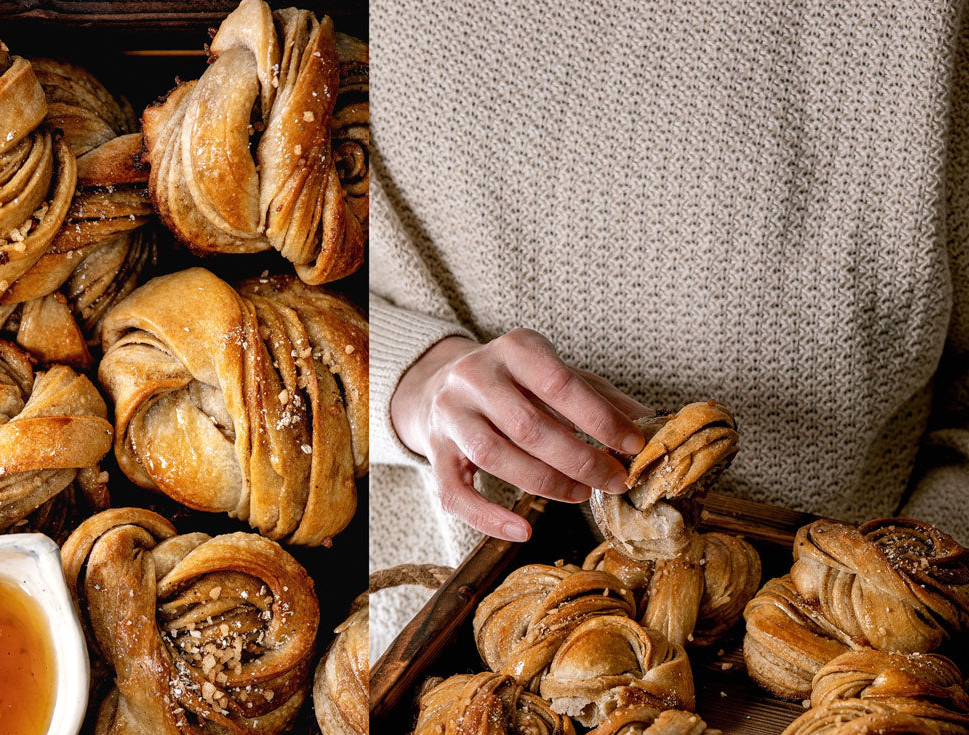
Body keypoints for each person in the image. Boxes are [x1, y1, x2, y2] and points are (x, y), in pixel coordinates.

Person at [368, 1, 969, 655]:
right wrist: (409, 375)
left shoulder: (925, 31)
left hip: (841, 675)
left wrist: (914, 596)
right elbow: (279, 283)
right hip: (408, 644)